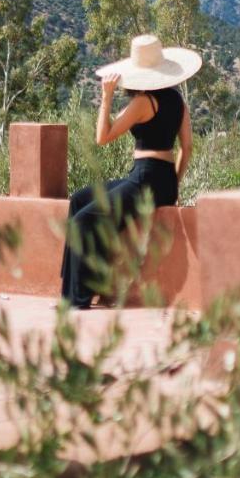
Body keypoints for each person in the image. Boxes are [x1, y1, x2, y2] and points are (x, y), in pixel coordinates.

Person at [59, 34, 201, 309]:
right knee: (79, 199)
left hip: (145, 178)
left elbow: (103, 137)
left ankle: (78, 298)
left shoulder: (143, 103)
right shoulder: (178, 102)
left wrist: (106, 97)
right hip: (159, 178)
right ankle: (71, 288)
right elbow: (188, 147)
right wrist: (175, 183)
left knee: (82, 221)